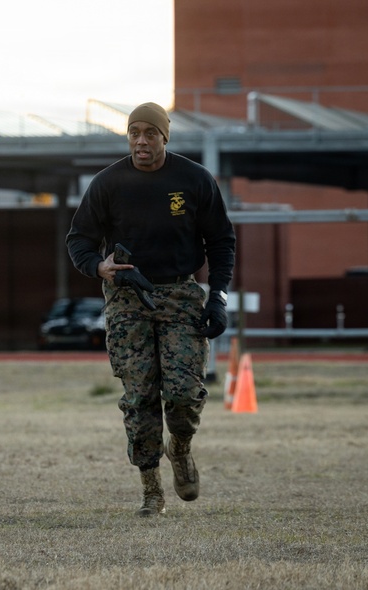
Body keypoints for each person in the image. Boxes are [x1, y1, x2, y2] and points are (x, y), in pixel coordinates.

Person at [66, 102, 236, 517]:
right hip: (127, 299)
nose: (141, 141)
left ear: (165, 136)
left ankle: (179, 447)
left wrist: (217, 296)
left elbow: (221, 241)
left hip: (181, 296)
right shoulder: (108, 183)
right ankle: (151, 491)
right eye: (134, 133)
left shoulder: (194, 179)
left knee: (182, 394)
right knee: (139, 396)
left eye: (150, 133)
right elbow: (79, 241)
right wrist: (100, 267)